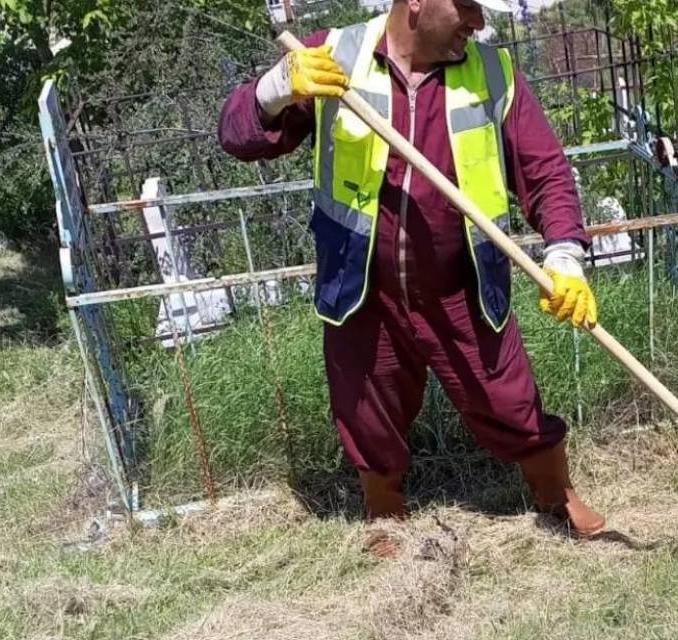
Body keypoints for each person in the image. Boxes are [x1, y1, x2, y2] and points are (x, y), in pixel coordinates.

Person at [217, 0, 605, 537]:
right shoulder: (332, 56)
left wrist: (565, 256)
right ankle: (385, 514)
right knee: (367, 413)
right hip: (362, 287)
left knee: (510, 400)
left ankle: (555, 494)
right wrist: (275, 89)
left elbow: (545, 173)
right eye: (468, 7)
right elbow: (237, 136)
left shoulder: (494, 74)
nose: (479, 23)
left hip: (462, 284)